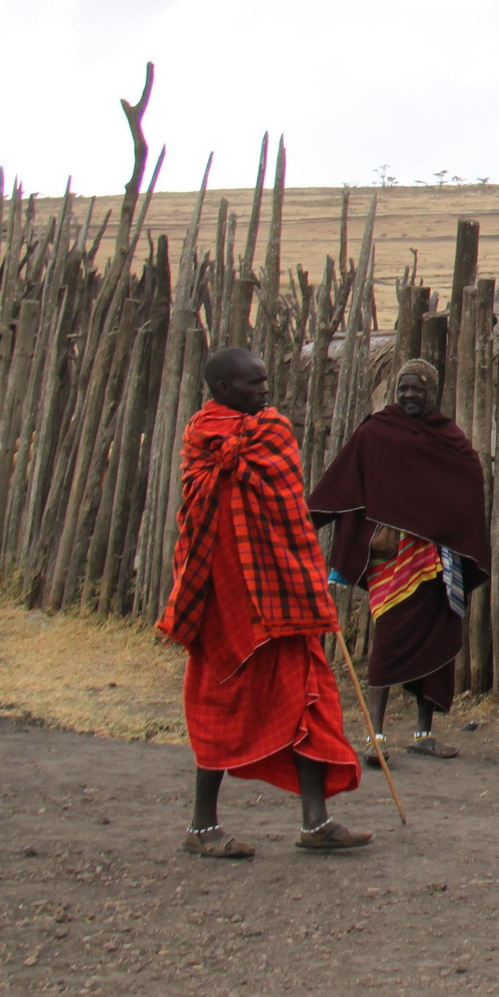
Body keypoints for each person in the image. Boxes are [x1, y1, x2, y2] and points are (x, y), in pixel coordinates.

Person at [157, 346, 368, 857]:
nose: (265, 391)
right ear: (223, 389)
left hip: (282, 597)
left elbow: (290, 516)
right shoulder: (202, 437)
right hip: (224, 601)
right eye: (255, 384)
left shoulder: (272, 432)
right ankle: (202, 827)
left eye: (265, 381)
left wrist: (307, 585)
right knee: (221, 702)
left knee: (306, 701)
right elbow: (198, 517)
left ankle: (316, 823)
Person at [309, 357, 489, 760]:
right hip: (393, 560)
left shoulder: (449, 439)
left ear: (432, 391)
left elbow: (469, 484)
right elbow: (342, 480)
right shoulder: (377, 432)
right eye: (403, 389)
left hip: (437, 559)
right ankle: (376, 738)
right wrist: (308, 521)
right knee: (389, 641)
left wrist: (450, 528)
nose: (409, 395)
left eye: (417, 389)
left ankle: (424, 735)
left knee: (440, 639)